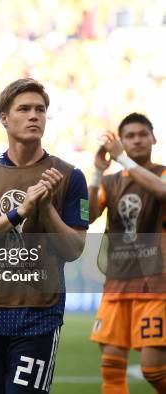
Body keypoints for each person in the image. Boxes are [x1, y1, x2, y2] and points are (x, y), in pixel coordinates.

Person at [0, 78, 88, 393]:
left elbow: (74, 249)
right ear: (4, 117)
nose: (34, 116)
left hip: (40, 313)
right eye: (25, 109)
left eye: (40, 110)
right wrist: (19, 212)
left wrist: (45, 208)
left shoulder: (70, 175)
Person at [88, 113, 166, 393]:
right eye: (129, 136)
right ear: (122, 141)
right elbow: (87, 215)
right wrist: (97, 172)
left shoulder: (162, 173)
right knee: (111, 371)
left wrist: (123, 159)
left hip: (156, 285)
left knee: (154, 370)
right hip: (117, 284)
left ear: (154, 138)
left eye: (142, 134)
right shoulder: (110, 183)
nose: (136, 140)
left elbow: (162, 192)